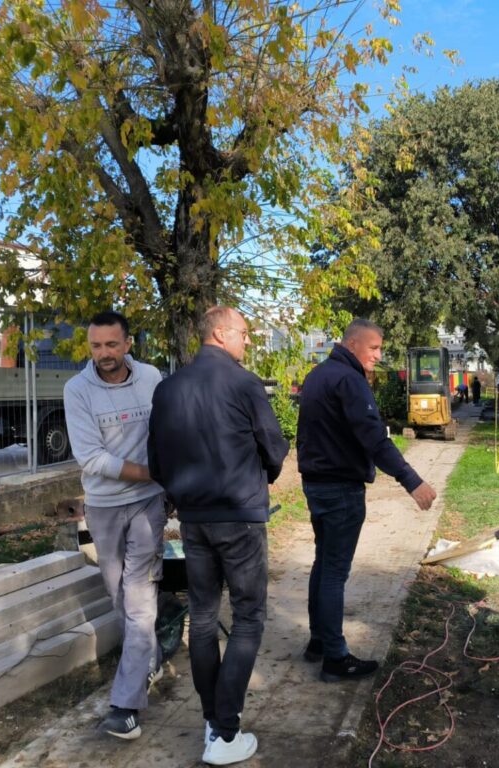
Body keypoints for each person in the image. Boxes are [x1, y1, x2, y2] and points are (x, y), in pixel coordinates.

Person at [148, 306, 289, 766]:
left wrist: (181, 497)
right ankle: (226, 731)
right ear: (220, 333)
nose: (248, 341)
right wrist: (262, 477)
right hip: (239, 516)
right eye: (244, 333)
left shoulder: (167, 389)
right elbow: (274, 446)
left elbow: (157, 461)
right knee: (248, 616)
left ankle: (214, 721)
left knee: (205, 618)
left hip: (194, 518)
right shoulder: (244, 383)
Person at [297, 318, 438, 682]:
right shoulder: (349, 379)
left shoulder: (317, 376)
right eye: (373, 348)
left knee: (323, 563)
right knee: (334, 571)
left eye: (380, 348)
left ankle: (318, 641)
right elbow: (374, 439)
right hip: (340, 488)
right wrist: (412, 481)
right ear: (352, 344)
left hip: (316, 484)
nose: (378, 355)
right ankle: (335, 657)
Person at [64, 310, 167, 740]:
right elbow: (92, 458)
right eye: (96, 346)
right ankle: (151, 659)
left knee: (139, 599)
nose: (104, 353)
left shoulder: (151, 378)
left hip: (147, 505)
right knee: (118, 596)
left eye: (111, 344)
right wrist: (154, 472)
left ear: (127, 344)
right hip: (104, 507)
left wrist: (166, 480)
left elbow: (166, 431)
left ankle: (126, 705)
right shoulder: (77, 389)